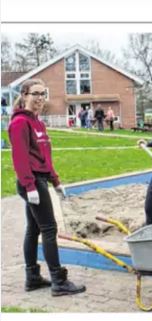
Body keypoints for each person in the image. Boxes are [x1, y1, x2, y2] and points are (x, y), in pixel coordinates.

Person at [8, 79, 86, 296]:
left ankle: (32, 278)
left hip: (40, 179)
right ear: (24, 95)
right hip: (32, 181)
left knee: (33, 229)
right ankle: (58, 281)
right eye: (35, 94)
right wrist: (29, 185)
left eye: (43, 93)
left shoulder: (38, 123)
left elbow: (45, 157)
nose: (40, 98)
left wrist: (56, 181)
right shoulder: (20, 123)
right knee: (49, 229)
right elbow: (20, 157)